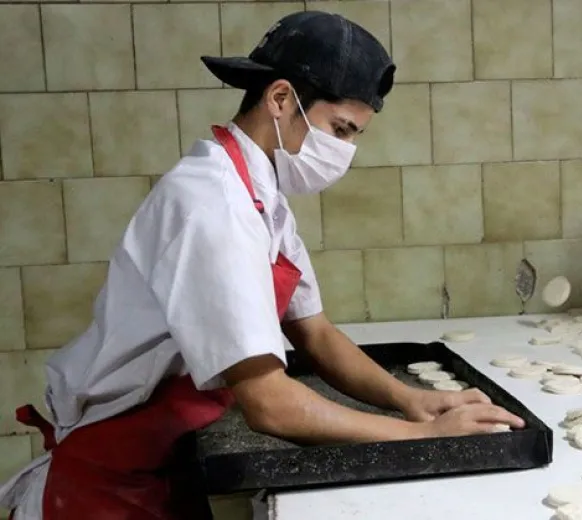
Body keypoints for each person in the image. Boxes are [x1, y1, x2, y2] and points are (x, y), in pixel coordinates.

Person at [0, 11, 522, 520]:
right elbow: (269, 403)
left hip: (162, 460)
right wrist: (421, 438)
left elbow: (314, 333)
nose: (346, 151)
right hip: (107, 475)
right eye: (340, 129)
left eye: (355, 135)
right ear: (279, 98)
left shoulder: (260, 194)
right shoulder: (212, 202)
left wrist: (411, 401)